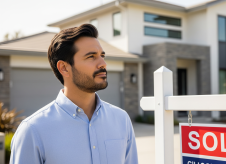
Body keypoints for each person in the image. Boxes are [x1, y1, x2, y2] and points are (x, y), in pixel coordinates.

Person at [10, 24, 139, 164]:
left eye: (102, 56)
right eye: (91, 57)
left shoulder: (121, 119)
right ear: (64, 68)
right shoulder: (33, 130)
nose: (103, 63)